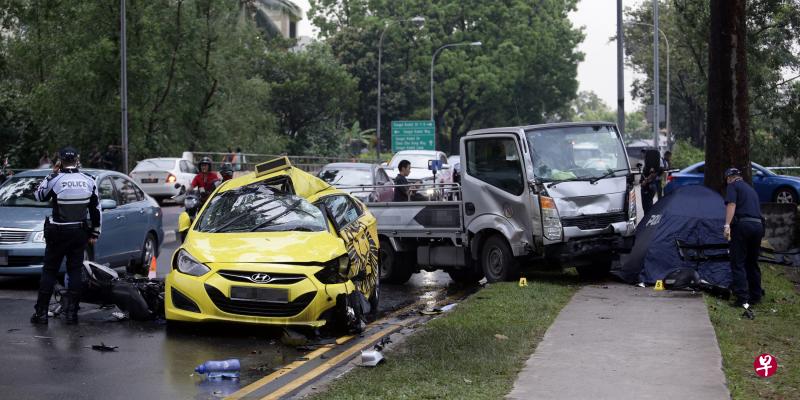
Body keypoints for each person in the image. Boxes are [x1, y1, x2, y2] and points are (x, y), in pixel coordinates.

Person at [30, 147, 101, 325]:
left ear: (60, 161)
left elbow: (38, 195)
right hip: (78, 232)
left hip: (58, 232)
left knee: (49, 270)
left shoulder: (56, 179)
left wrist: (51, 174)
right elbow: (96, 209)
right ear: (77, 160)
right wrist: (95, 232)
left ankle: (41, 314)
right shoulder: (89, 180)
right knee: (75, 270)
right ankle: (72, 313)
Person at [723, 167, 765, 311]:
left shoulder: (732, 186)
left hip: (743, 226)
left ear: (729, 177)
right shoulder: (750, 189)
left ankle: (742, 298)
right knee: (752, 262)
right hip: (758, 226)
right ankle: (756, 295)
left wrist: (727, 225)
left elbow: (732, 204)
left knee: (738, 261)